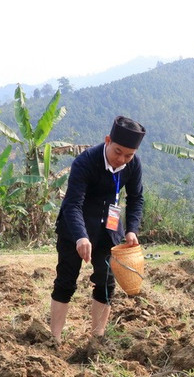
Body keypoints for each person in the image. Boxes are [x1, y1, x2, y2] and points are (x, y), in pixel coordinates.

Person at [51, 116, 146, 344]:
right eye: (117, 152)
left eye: (128, 155)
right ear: (107, 141)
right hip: (75, 229)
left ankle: (97, 338)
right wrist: (81, 237)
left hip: (108, 231)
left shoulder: (133, 165)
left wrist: (131, 229)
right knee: (66, 280)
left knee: (105, 282)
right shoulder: (85, 162)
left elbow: (136, 198)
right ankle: (54, 338)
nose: (121, 159)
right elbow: (72, 204)